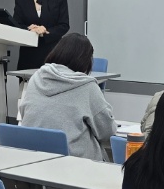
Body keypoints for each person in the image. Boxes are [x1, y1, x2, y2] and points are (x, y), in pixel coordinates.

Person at [19, 31, 116, 161]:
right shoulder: (87, 86)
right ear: (85, 60)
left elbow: (25, 114)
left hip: (32, 159)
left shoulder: (36, 78)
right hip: (74, 163)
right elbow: (107, 132)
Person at [11, 0, 70, 69]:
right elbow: (16, 25)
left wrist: (44, 32)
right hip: (28, 53)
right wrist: (29, 29)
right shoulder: (21, 0)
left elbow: (64, 25)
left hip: (52, 52)